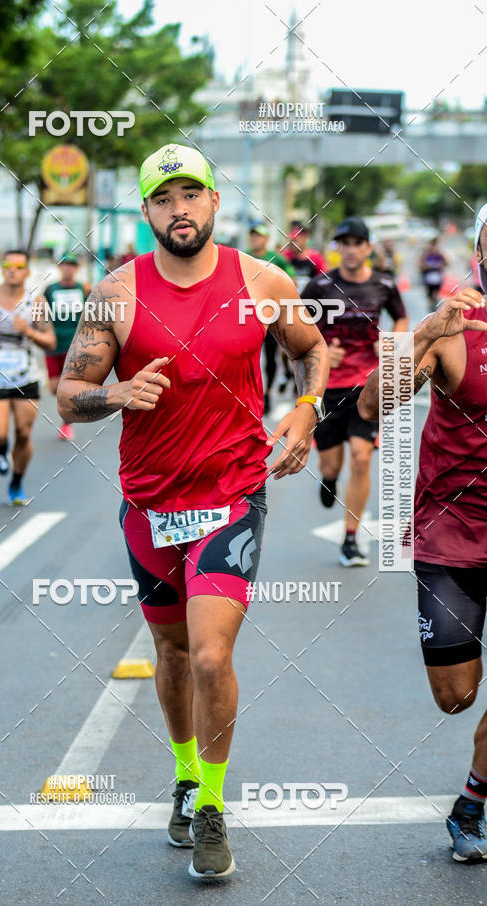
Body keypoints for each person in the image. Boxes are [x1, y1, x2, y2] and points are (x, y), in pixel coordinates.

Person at [58, 143, 329, 880]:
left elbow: (312, 348)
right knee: (173, 653)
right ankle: (185, 776)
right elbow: (69, 396)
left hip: (230, 494)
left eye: (190, 194)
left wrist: (306, 410)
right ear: (147, 211)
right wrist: (115, 393)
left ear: (214, 200)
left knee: (211, 654)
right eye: (163, 198)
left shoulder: (261, 280)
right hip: (149, 500)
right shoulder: (116, 294)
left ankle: (211, 804)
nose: (179, 209)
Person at [358, 203, 487, 862]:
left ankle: (474, 800)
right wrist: (424, 335)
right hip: (450, 535)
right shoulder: (455, 329)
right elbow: (369, 405)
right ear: (480, 251)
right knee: (455, 696)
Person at [302, 216, 408, 567]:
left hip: (367, 388)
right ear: (339, 248)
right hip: (328, 388)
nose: (350, 250)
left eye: (357, 243)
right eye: (344, 243)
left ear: (368, 247)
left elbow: (401, 318)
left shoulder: (384, 283)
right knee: (331, 463)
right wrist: (319, 350)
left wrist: (390, 343)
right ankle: (329, 478)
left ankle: (351, 539)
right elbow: (296, 326)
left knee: (362, 459)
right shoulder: (320, 285)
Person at [0, 250, 55, 505]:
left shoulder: (35, 302)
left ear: (27, 272)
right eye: (7, 265)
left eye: (18, 267)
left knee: (24, 433)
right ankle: (1, 449)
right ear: (2, 269)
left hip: (26, 375)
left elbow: (50, 340)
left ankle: (16, 482)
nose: (12, 270)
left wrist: (29, 331)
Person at [246, 223, 295, 413]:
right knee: (248, 358)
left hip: (270, 316)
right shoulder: (243, 257)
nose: (255, 239)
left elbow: (291, 280)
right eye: (253, 235)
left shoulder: (277, 259)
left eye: (259, 236)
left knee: (270, 358)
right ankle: (251, 394)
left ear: (266, 239)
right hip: (247, 315)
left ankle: (266, 394)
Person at [43, 253, 91, 441]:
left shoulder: (84, 289)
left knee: (68, 387)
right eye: (65, 264)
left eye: (72, 264)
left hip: (75, 345)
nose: (68, 268)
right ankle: (68, 415)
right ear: (59, 266)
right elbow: (41, 314)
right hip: (54, 344)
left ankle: (66, 423)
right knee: (54, 388)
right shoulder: (50, 289)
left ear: (77, 268)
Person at [282, 223, 326, 293]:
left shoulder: (315, 257)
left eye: (295, 240)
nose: (292, 243)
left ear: (305, 239)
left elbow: (324, 280)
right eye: (291, 240)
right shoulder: (286, 256)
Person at [419, 237, 448, 309]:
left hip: (437, 277)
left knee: (436, 292)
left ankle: (435, 305)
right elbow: (420, 265)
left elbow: (447, 263)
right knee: (430, 293)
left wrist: (440, 265)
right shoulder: (426, 254)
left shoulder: (440, 254)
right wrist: (428, 267)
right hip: (428, 277)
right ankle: (431, 304)